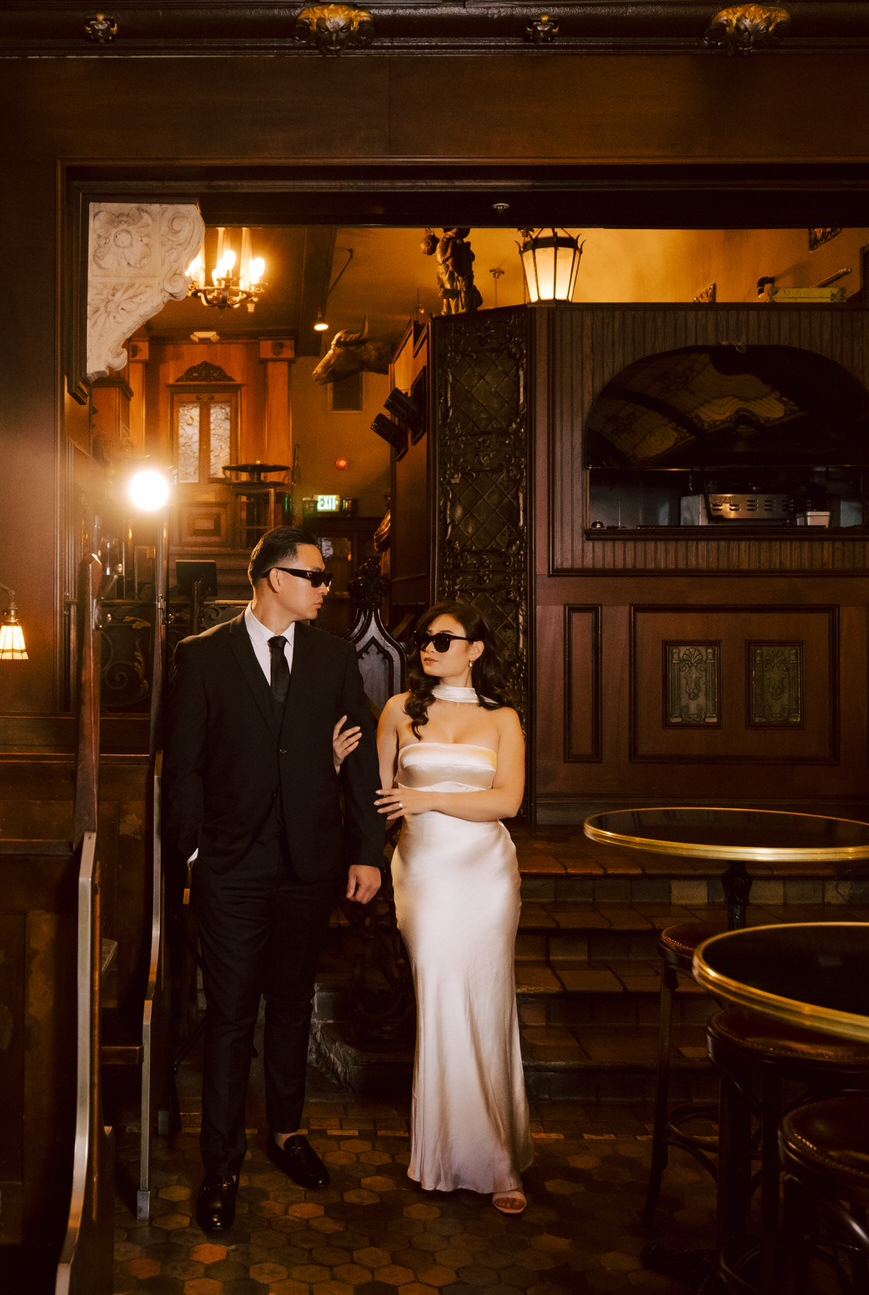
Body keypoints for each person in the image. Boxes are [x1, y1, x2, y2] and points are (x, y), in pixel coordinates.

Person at [166, 525, 382, 1235]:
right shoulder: (200, 657)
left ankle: (286, 1134)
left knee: (289, 1003)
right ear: (271, 580)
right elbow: (186, 767)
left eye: (326, 578)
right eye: (314, 576)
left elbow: (356, 762)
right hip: (230, 867)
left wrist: (366, 853)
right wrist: (190, 857)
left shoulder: (331, 656)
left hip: (309, 863)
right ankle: (220, 1165)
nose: (326, 587)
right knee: (230, 1017)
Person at [374, 600, 532, 1214]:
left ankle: (498, 1157)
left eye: (444, 640)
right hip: (425, 872)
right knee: (439, 995)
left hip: (486, 874)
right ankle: (443, 1151)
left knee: (488, 1000)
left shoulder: (502, 719)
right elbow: (380, 794)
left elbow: (508, 802)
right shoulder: (397, 711)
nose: (429, 648)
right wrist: (342, 763)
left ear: (476, 650)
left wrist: (428, 798)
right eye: (423, 639)